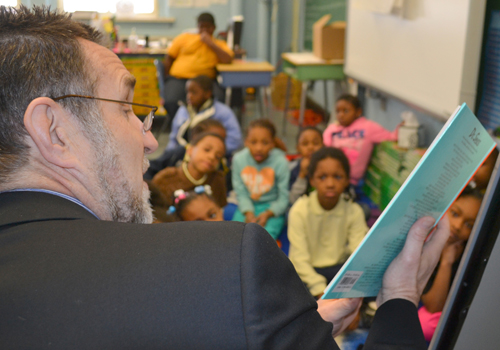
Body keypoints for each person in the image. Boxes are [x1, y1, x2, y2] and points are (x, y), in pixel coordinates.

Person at [0, 6, 451, 349]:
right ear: (53, 130)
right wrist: (399, 297)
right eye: (126, 109)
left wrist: (293, 327)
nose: (150, 141)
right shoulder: (229, 264)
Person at [288, 147, 368, 298]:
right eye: (322, 177)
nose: (330, 184)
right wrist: (322, 292)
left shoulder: (354, 211)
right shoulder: (299, 211)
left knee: (374, 285)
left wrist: (350, 295)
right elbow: (299, 260)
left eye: (337, 177)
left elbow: (358, 256)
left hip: (338, 271)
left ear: (346, 180)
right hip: (307, 272)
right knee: (289, 287)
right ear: (312, 180)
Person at [418, 187, 483, 342]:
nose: (458, 226)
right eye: (454, 214)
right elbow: (430, 301)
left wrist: (447, 262)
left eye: (469, 225)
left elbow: (435, 307)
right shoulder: (427, 239)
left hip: (453, 310)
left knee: (425, 325)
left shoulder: (470, 255)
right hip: (432, 301)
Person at [163, 12, 233, 120]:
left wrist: (210, 43)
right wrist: (167, 78)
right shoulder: (184, 38)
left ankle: (204, 126)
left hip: (205, 81)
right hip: (179, 79)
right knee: (171, 100)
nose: (204, 30)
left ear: (214, 28)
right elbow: (169, 58)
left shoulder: (218, 44)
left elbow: (228, 59)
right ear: (197, 27)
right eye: (201, 27)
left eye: (208, 27)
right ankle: (184, 126)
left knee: (218, 99)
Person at [231, 119, 290, 239]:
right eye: (253, 142)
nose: (258, 148)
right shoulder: (238, 160)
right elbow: (241, 193)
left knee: (264, 239)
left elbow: (283, 198)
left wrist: (268, 214)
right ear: (246, 142)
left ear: (273, 143)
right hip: (247, 205)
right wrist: (248, 212)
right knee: (234, 235)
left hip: (271, 209)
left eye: (265, 142)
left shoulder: (281, 162)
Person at [323, 94, 399, 186]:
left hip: (351, 181)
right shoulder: (332, 129)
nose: (341, 115)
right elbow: (324, 150)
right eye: (338, 111)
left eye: (345, 111)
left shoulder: (368, 127)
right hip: (330, 175)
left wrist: (402, 128)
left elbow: (391, 137)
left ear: (358, 112)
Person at [167, 74, 242, 155]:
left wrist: (214, 151)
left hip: (212, 155)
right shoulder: (183, 110)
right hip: (183, 152)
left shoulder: (223, 112)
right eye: (187, 92)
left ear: (207, 94)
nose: (189, 96)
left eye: (194, 92)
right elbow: (173, 138)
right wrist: (170, 153)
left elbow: (235, 140)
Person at [152, 132, 227, 209]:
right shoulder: (166, 178)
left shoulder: (217, 180)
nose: (211, 157)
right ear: (190, 150)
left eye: (218, 156)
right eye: (207, 150)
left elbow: (219, 209)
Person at [144, 118, 227, 180]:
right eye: (207, 149)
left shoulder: (219, 168)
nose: (212, 157)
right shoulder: (177, 154)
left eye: (222, 140)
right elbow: (151, 168)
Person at [289, 126, 324, 205]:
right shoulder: (292, 168)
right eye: (305, 144)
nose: (310, 147)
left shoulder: (329, 167)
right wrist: (301, 175)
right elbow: (292, 200)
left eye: (315, 143)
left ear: (323, 145)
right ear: (297, 148)